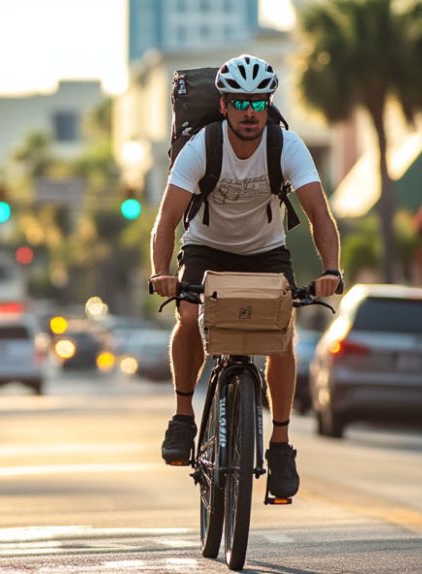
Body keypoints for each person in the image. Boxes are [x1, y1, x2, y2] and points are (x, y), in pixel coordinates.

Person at [149, 55, 342, 499]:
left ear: (267, 104)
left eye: (258, 102)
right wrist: (161, 273)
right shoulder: (202, 147)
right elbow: (166, 221)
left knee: (282, 335)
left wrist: (331, 270)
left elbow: (319, 215)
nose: (250, 112)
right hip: (206, 247)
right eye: (240, 102)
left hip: (265, 251)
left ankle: (279, 445)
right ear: (224, 106)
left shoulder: (286, 147)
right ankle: (182, 417)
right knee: (188, 313)